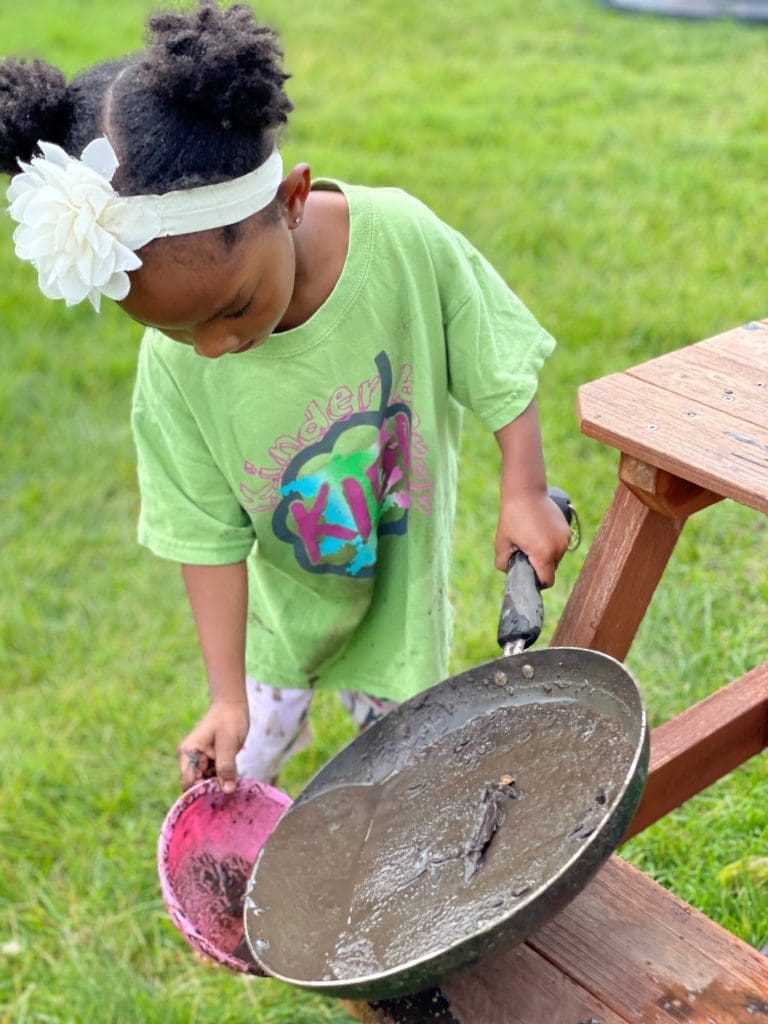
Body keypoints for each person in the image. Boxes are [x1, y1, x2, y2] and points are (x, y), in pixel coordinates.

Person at [0, 1, 572, 794]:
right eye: (175, 330)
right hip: (282, 614)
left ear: (291, 199)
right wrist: (226, 697)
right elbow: (204, 534)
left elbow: (497, 357)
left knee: (405, 775)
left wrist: (525, 490)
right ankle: (273, 717)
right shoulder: (174, 371)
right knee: (235, 766)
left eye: (231, 309)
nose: (212, 347)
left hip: (400, 599)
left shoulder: (402, 242)